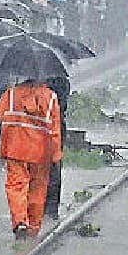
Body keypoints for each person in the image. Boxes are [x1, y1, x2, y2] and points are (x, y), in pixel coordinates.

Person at [0, 79, 63, 240]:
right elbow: (55, 129)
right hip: (40, 152)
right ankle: (33, 227)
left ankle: (19, 222)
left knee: (16, 185)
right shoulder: (50, 97)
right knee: (38, 188)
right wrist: (55, 155)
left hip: (15, 148)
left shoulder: (10, 94)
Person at [43, 76, 71, 220]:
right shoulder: (63, 81)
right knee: (54, 169)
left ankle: (41, 208)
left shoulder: (33, 86)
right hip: (56, 129)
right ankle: (51, 209)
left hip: (38, 130)